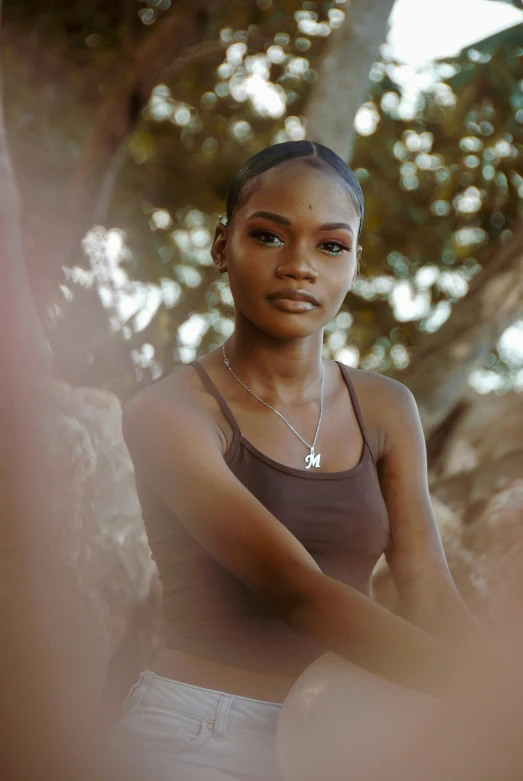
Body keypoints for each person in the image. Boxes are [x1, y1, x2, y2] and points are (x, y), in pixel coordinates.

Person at [114, 140, 482, 781]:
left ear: (355, 263)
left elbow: (429, 593)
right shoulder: (169, 412)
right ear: (222, 246)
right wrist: (482, 696)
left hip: (356, 734)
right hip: (200, 735)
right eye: (269, 237)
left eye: (330, 246)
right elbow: (298, 591)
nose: (299, 267)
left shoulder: (387, 407)